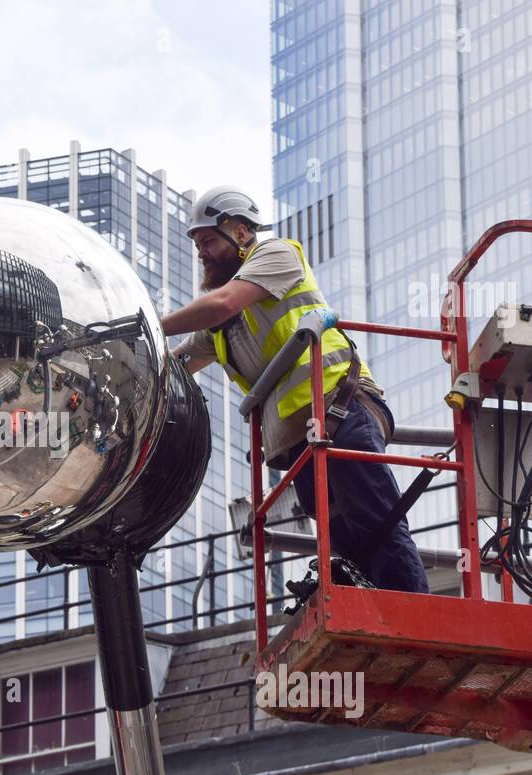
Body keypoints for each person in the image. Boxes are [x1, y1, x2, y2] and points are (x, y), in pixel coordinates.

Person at [162, 185, 428, 593]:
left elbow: (224, 303)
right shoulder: (222, 323)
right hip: (304, 440)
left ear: (241, 232)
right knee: (348, 547)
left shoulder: (276, 255)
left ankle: (413, 624)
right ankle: (378, 625)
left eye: (209, 240)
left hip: (341, 409)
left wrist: (152, 322)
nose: (202, 252)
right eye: (198, 244)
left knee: (378, 523)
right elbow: (180, 361)